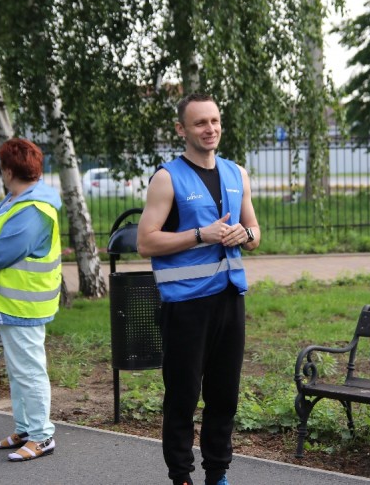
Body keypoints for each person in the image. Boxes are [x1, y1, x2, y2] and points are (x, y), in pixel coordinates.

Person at [137, 93, 261, 485]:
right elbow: (145, 242)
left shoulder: (237, 173)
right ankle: (181, 476)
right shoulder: (167, 178)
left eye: (215, 121)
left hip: (229, 299)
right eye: (200, 123)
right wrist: (198, 235)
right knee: (183, 397)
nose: (210, 129)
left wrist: (246, 234)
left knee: (224, 395)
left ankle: (217, 474)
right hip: (186, 305)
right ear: (181, 129)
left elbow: (255, 233)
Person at [0, 138, 62, 462]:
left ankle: (42, 436)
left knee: (29, 370)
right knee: (20, 370)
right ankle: (26, 429)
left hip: (25, 305)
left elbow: (7, 249)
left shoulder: (34, 209)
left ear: (8, 170)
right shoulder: (18, 201)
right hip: (12, 304)